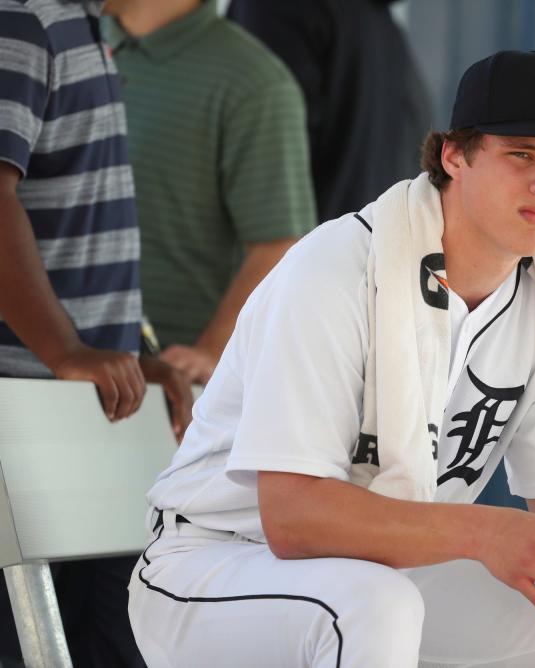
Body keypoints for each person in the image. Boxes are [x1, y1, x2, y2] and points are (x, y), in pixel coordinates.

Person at [127, 51, 535, 667]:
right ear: (453, 155)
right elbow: (292, 519)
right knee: (377, 605)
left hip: (390, 571)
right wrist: (485, 533)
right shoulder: (335, 271)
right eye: (522, 154)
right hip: (215, 566)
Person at [0, 0, 191, 665]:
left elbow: (70, 222)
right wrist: (65, 350)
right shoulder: (21, 19)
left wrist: (126, 355)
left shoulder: (81, 22)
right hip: (24, 415)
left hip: (88, 413)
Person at [101, 0, 317, 384]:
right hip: (50, 365)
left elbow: (281, 244)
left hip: (166, 391)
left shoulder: (255, 82)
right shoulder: (68, 47)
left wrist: (210, 351)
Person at [227, 0, 432, 223]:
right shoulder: (383, 25)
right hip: (369, 242)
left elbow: (267, 163)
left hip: (302, 245)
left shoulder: (273, 9)